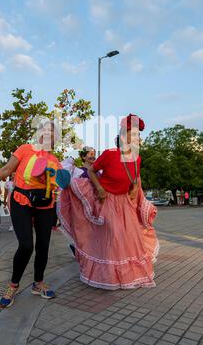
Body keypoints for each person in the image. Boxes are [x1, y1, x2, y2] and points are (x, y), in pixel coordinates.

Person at [57, 114, 159, 290]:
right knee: (114, 235)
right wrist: (100, 189)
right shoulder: (110, 154)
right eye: (133, 134)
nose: (137, 139)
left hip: (125, 203)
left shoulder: (137, 158)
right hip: (107, 201)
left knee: (130, 238)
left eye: (138, 135)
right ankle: (110, 276)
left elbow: (134, 178)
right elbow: (91, 171)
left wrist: (134, 189)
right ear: (124, 136)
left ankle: (129, 276)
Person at [0, 120, 65, 309]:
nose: (48, 135)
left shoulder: (55, 161)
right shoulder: (24, 149)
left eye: (52, 133)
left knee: (43, 246)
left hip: (45, 205)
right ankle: (13, 285)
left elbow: (63, 184)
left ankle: (38, 283)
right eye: (45, 131)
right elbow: (6, 170)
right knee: (26, 246)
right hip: (21, 201)